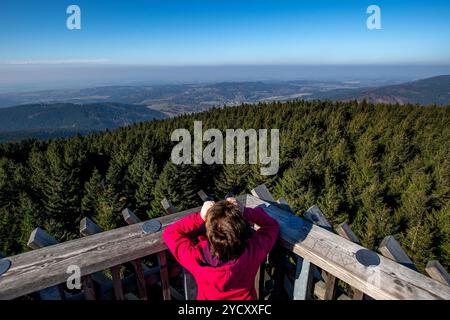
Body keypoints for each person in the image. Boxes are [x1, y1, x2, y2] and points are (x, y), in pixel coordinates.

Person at [162, 196, 279, 300]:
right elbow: (271, 225)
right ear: (241, 230)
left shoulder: (196, 260)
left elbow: (170, 233)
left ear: (209, 233)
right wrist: (244, 211)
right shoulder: (253, 252)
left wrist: (200, 217)